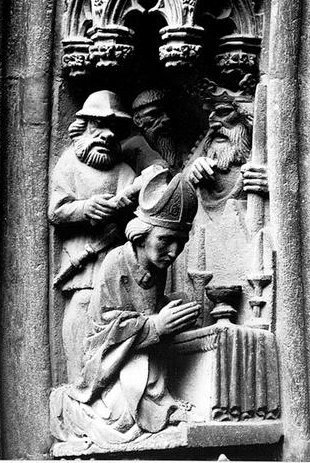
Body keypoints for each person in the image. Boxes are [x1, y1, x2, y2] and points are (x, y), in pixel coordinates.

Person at [50, 169, 200, 451]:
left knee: (150, 374)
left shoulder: (158, 267)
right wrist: (155, 326)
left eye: (180, 243)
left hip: (142, 353)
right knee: (121, 416)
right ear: (142, 236)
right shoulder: (115, 262)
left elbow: (144, 306)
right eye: (166, 240)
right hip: (110, 363)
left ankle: (160, 407)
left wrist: (170, 306)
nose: (173, 252)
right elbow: (106, 327)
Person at [49, 90, 136, 382]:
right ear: (85, 125)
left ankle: (102, 382)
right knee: (82, 307)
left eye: (115, 128)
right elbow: (57, 212)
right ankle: (77, 379)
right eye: (99, 125)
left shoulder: (124, 170)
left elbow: (137, 211)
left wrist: (122, 211)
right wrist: (86, 208)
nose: (107, 135)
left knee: (113, 313)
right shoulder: (70, 165)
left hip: (114, 256)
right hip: (81, 259)